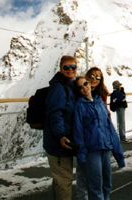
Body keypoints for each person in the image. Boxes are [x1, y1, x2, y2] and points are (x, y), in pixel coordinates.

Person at [73, 76, 125, 200]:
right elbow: (78, 131)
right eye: (80, 87)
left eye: (85, 84)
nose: (84, 88)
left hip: (106, 148)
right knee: (95, 186)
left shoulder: (100, 103)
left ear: (89, 84)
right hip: (92, 151)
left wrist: (119, 154)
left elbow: (110, 128)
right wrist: (81, 155)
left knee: (107, 184)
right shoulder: (79, 106)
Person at [43, 55, 78, 200]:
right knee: (64, 182)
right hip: (59, 143)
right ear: (61, 69)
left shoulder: (70, 86)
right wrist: (60, 135)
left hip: (63, 141)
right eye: (66, 67)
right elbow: (55, 113)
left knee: (60, 180)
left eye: (73, 67)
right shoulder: (59, 87)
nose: (70, 70)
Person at [76, 67, 111, 200]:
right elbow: (78, 123)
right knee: (84, 175)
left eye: (98, 77)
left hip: (102, 141)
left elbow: (105, 116)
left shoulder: (101, 96)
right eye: (91, 76)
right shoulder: (80, 96)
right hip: (87, 143)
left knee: (104, 178)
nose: (94, 79)